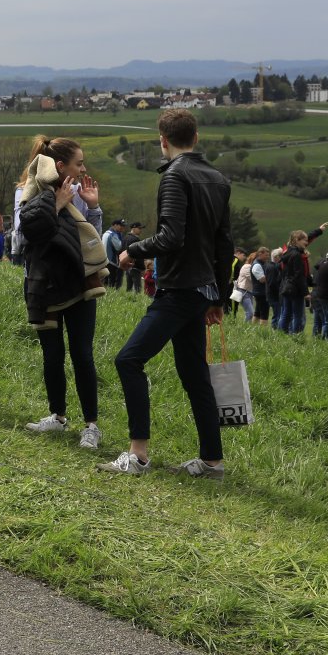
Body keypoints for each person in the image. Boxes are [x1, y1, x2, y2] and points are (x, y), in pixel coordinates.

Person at [107, 110, 233, 478]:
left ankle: (138, 455)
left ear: (163, 140)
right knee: (194, 374)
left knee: (128, 360)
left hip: (179, 288)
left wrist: (133, 251)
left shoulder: (175, 176)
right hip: (202, 289)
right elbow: (224, 244)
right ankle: (211, 462)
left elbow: (171, 237)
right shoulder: (218, 179)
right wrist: (218, 298)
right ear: (196, 137)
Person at [19, 136, 106, 448]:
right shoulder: (28, 191)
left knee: (82, 353)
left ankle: (91, 426)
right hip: (44, 284)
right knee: (52, 354)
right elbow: (23, 235)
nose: (83, 169)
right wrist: (55, 205)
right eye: (78, 163)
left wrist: (93, 206)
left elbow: (90, 240)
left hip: (79, 282)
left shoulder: (79, 194)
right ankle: (57, 416)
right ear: (60, 165)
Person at [276, 224, 328, 334]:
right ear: (297, 240)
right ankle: (296, 338)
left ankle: (280, 335)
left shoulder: (288, 252)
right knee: (298, 316)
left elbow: (308, 238)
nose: (306, 242)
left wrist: (319, 230)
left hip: (286, 287)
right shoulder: (297, 255)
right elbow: (299, 276)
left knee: (286, 313)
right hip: (296, 289)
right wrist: (305, 293)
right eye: (304, 240)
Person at [102, 218, 126, 289]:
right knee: (112, 282)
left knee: (105, 281)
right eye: (121, 225)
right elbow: (119, 247)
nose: (123, 227)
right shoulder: (113, 234)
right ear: (115, 225)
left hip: (104, 260)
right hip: (112, 261)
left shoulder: (106, 233)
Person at [121, 222, 144, 292]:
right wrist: (142, 267)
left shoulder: (125, 238)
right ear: (133, 228)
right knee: (137, 289)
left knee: (128, 288)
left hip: (127, 266)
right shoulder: (135, 239)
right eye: (139, 228)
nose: (141, 230)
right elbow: (138, 254)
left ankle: (127, 298)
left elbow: (121, 251)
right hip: (135, 266)